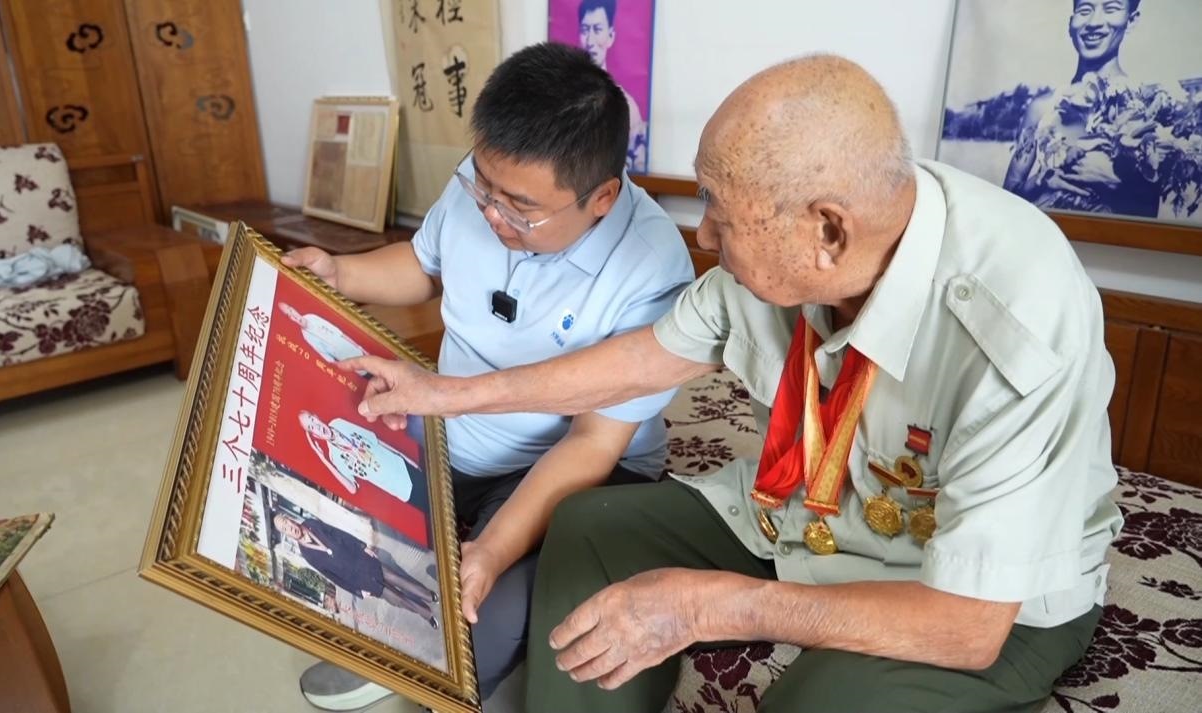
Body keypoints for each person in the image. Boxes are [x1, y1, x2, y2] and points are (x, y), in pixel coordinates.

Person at [351, 54, 1122, 713]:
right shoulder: (786, 248)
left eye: (718, 209)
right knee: (588, 525)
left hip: (971, 588)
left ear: (827, 231)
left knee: (820, 698)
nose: (703, 233)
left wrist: (709, 606)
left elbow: (967, 625)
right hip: (808, 512)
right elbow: (640, 359)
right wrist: (443, 394)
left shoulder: (1018, 324)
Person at [283, 42, 693, 709]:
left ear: (601, 197)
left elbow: (592, 443)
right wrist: (340, 272)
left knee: (477, 621)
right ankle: (389, 639)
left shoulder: (651, 267)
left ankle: (434, 651)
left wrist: (495, 550)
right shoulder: (486, 184)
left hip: (568, 461)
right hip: (447, 431)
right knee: (321, 497)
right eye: (483, 188)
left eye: (521, 209)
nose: (493, 215)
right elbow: (423, 265)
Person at [1004, 0, 1160, 216]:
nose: (1094, 22)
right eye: (1085, 10)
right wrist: (1043, 180)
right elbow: (1007, 197)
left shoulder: (1147, 108)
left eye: (1111, 8)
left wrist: (1117, 182)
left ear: (1131, 20)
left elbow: (1153, 214)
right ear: (1071, 24)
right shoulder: (1042, 108)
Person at [272, 512, 439, 628]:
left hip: (363, 561)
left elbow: (340, 534)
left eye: (287, 523)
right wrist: (358, 592)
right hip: (359, 581)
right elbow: (334, 578)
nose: (290, 528)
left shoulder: (311, 524)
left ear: (291, 520)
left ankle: (429, 596)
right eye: (285, 529)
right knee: (397, 600)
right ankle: (427, 614)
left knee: (398, 579)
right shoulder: (307, 554)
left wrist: (362, 546)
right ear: (286, 534)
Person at [579, 0, 649, 173]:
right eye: (585, 30)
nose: (590, 40)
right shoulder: (561, 98)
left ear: (610, 36)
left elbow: (637, 165)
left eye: (597, 30)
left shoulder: (627, 106)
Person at [298, 410, 417, 506]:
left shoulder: (338, 423)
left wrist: (404, 457)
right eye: (311, 427)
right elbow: (352, 489)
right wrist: (323, 458)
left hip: (402, 465)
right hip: (400, 489)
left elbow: (375, 440)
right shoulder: (334, 457)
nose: (317, 426)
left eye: (312, 419)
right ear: (315, 435)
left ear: (317, 417)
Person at [278, 302, 368, 364]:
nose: (294, 316)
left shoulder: (312, 317)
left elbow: (340, 334)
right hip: (349, 363)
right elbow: (328, 358)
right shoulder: (306, 336)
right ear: (290, 320)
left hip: (356, 351)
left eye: (291, 310)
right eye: (289, 316)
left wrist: (360, 348)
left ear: (294, 308)